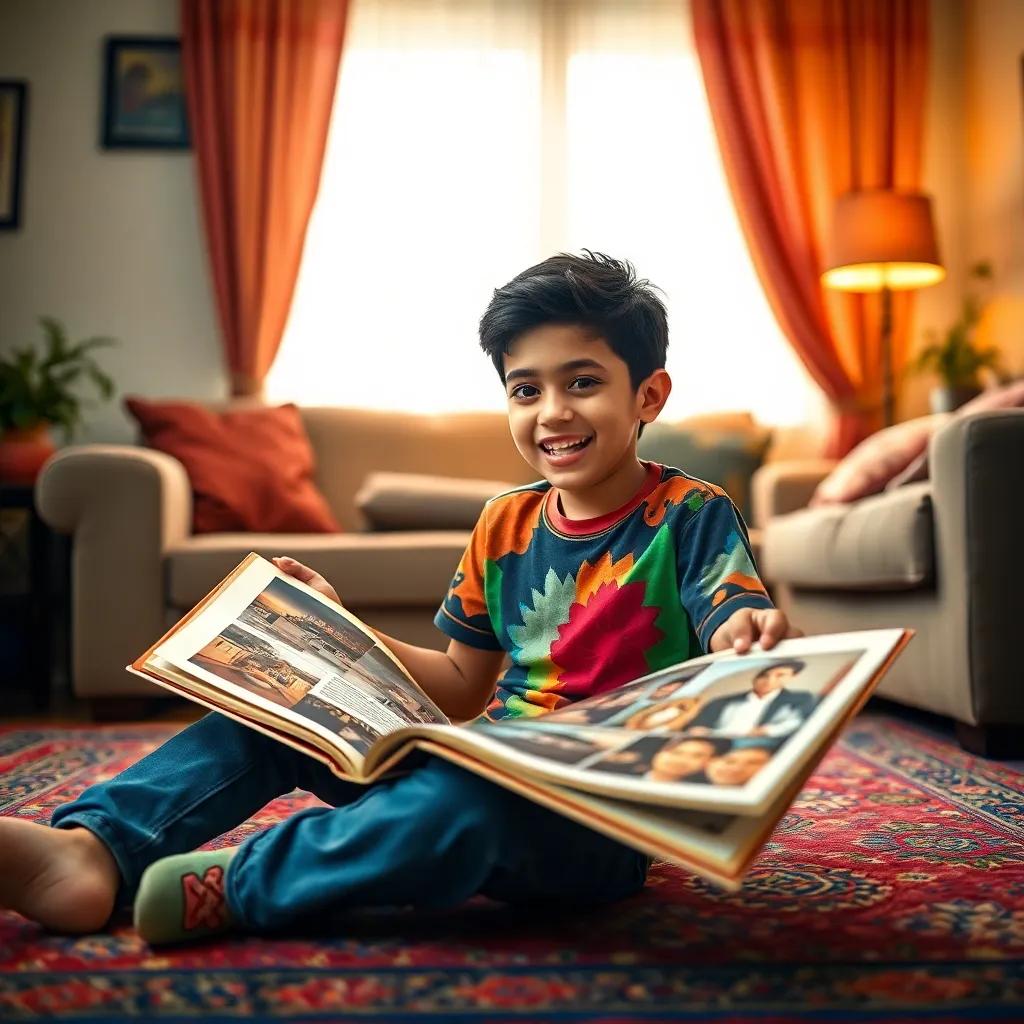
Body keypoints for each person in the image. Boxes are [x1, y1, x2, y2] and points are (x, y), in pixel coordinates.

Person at [0, 251, 799, 945]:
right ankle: (92, 851)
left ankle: (240, 883)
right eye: (526, 390)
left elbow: (729, 612)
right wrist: (340, 631)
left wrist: (744, 629)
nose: (553, 412)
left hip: (595, 819)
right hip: (481, 757)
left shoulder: (692, 514)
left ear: (648, 396)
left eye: (583, 383)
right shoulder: (504, 522)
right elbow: (459, 686)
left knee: (457, 804)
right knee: (273, 713)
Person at [687, 659, 814, 739]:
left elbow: (799, 723)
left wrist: (766, 731)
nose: (770, 680)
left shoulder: (800, 699)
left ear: (791, 677)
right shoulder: (722, 701)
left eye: (780, 675)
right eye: (764, 675)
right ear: (755, 678)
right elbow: (697, 725)